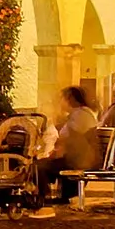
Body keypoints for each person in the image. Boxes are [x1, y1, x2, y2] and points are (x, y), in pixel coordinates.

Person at [29, 86, 100, 216]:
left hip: (79, 161)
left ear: (70, 99)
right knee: (43, 164)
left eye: (61, 98)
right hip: (78, 158)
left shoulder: (81, 115)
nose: (59, 102)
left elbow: (66, 139)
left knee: (37, 167)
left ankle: (43, 199)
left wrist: (53, 154)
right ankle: (55, 196)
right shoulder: (81, 114)